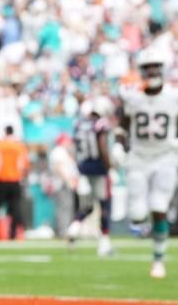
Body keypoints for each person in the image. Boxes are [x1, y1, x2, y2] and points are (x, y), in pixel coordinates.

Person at [115, 47, 178, 279]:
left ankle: (158, 260)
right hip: (138, 157)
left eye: (154, 67)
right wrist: (119, 144)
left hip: (165, 157)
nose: (151, 71)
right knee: (137, 214)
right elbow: (121, 126)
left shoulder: (174, 96)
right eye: (147, 68)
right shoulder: (132, 97)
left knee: (159, 207)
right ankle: (146, 229)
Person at [68, 97, 116, 257]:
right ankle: (104, 242)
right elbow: (102, 146)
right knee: (105, 205)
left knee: (88, 205)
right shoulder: (100, 124)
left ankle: (74, 227)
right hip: (98, 167)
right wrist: (109, 167)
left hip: (83, 167)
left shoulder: (79, 124)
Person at [0, 126, 30, 240]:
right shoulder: (19, 146)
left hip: (0, 179)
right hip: (15, 180)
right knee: (15, 208)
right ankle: (14, 233)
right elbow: (23, 165)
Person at [47, 134, 78, 239]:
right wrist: (68, 180)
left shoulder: (62, 152)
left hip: (64, 184)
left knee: (66, 207)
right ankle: (63, 231)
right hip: (62, 184)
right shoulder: (59, 151)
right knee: (64, 208)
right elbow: (58, 167)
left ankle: (64, 230)